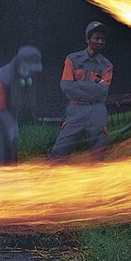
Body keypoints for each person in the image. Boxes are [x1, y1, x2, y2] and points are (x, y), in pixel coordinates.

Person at [48, 21, 113, 159]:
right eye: (97, 38)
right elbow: (66, 86)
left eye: (103, 39)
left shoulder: (107, 65)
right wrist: (94, 88)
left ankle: (96, 179)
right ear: (88, 39)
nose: (100, 42)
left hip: (97, 111)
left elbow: (103, 91)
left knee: (99, 153)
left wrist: (78, 86)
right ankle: (50, 176)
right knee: (60, 150)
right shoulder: (72, 59)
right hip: (76, 111)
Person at [0, 46, 42, 164]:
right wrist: (11, 125)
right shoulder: (2, 77)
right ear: (21, 63)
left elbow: (23, 100)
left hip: (8, 112)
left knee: (11, 151)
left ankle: (11, 178)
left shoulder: (27, 75)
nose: (33, 71)